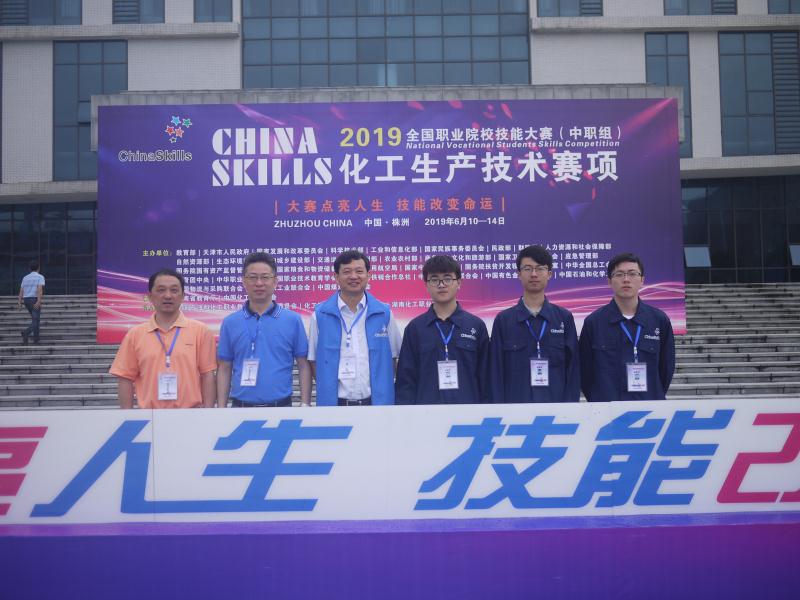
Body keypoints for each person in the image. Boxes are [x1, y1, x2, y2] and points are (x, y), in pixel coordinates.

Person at [110, 268, 216, 409]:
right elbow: (125, 378)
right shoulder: (135, 334)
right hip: (150, 415)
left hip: (190, 414)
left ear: (183, 296)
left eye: (174, 290)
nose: (168, 296)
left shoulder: (200, 331)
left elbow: (208, 375)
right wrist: (128, 415)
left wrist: (208, 413)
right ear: (150, 296)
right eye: (161, 290)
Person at [216, 252, 311, 408]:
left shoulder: (292, 320)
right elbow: (224, 368)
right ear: (244, 281)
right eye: (253, 277)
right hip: (240, 408)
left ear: (275, 281)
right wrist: (221, 408)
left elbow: (303, 364)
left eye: (265, 277)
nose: (259, 283)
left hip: (281, 407)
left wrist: (305, 403)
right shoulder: (230, 323)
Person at [308, 249, 401, 406]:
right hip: (334, 406)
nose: (353, 276)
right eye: (346, 272)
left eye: (359, 271)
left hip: (377, 405)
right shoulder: (320, 315)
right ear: (336, 277)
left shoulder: (383, 313)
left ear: (368, 275)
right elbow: (314, 361)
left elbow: (393, 358)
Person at [579, 252, 675, 402]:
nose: (626, 279)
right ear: (609, 281)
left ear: (642, 280)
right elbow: (585, 371)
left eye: (632, 274)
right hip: (607, 408)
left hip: (649, 406)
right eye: (619, 274)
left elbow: (666, 368)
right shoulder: (594, 322)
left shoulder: (659, 320)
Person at [489, 245, 580, 403]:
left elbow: (573, 369)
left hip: (557, 407)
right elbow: (495, 373)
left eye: (540, 268)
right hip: (516, 409)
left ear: (549, 274)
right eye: (527, 269)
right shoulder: (504, 320)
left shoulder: (564, 318)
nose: (534, 274)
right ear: (518, 274)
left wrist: (570, 407)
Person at [395, 255, 490, 404]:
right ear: (426, 285)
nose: (441, 285)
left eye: (447, 279)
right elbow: (406, 381)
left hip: (469, 411)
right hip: (426, 412)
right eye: (434, 280)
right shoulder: (415, 328)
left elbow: (486, 378)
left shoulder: (475, 326)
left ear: (459, 283)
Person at [18, 260, 44, 345]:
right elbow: (39, 289)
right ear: (38, 268)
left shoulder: (25, 278)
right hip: (34, 299)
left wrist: (19, 302)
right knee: (36, 321)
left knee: (35, 320)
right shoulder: (40, 277)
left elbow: (21, 290)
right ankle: (26, 333)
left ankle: (36, 340)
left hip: (26, 300)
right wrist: (39, 301)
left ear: (30, 268)